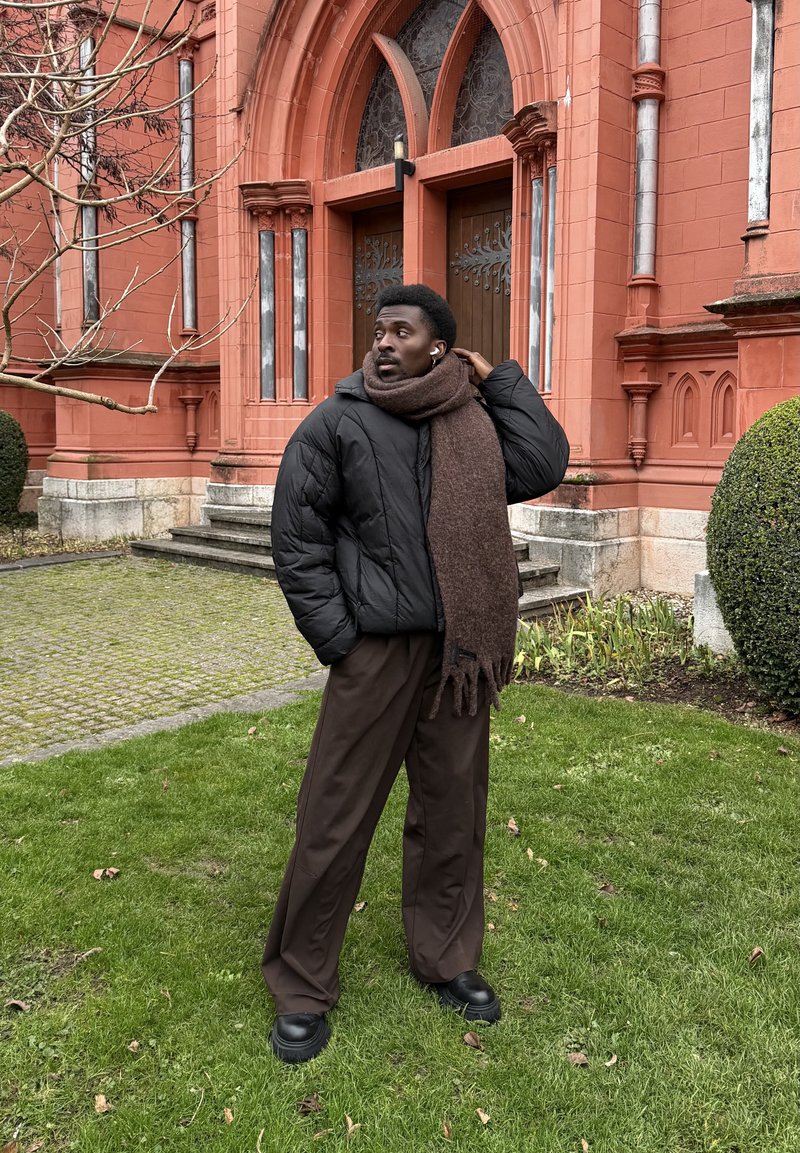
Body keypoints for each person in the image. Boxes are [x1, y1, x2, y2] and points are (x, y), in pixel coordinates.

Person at [262, 283, 569, 1063]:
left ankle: (447, 958)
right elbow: (298, 538)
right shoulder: (339, 419)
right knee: (333, 816)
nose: (385, 342)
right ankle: (301, 983)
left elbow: (544, 458)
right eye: (380, 329)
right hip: (378, 654)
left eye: (404, 331)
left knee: (452, 814)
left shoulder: (470, 420)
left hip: (459, 656)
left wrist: (497, 378)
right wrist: (343, 639)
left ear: (440, 346)